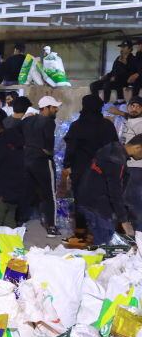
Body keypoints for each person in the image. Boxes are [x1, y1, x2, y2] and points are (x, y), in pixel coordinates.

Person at [63, 94, 120, 242]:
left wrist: (67, 165)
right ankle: (99, 233)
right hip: (103, 170)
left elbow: (71, 149)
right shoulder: (108, 125)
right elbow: (115, 148)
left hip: (81, 170)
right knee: (101, 201)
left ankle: (81, 232)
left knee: (81, 201)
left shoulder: (77, 126)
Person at [76, 136, 142, 244]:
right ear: (138, 148)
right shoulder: (116, 160)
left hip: (86, 200)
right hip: (97, 207)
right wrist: (124, 220)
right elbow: (115, 191)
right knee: (103, 246)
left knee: (94, 243)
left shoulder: (111, 148)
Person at [22, 95, 61, 237]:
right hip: (42, 161)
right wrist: (47, 151)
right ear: (46, 108)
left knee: (27, 192)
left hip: (27, 159)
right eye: (54, 107)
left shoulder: (27, 120)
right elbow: (49, 143)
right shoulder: (48, 122)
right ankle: (51, 226)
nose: (56, 110)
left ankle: (21, 222)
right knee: (49, 193)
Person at [117, 97, 142, 229]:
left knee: (134, 202)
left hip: (137, 168)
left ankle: (139, 233)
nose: (135, 109)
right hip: (127, 167)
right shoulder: (126, 122)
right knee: (127, 200)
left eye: (138, 106)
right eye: (132, 106)